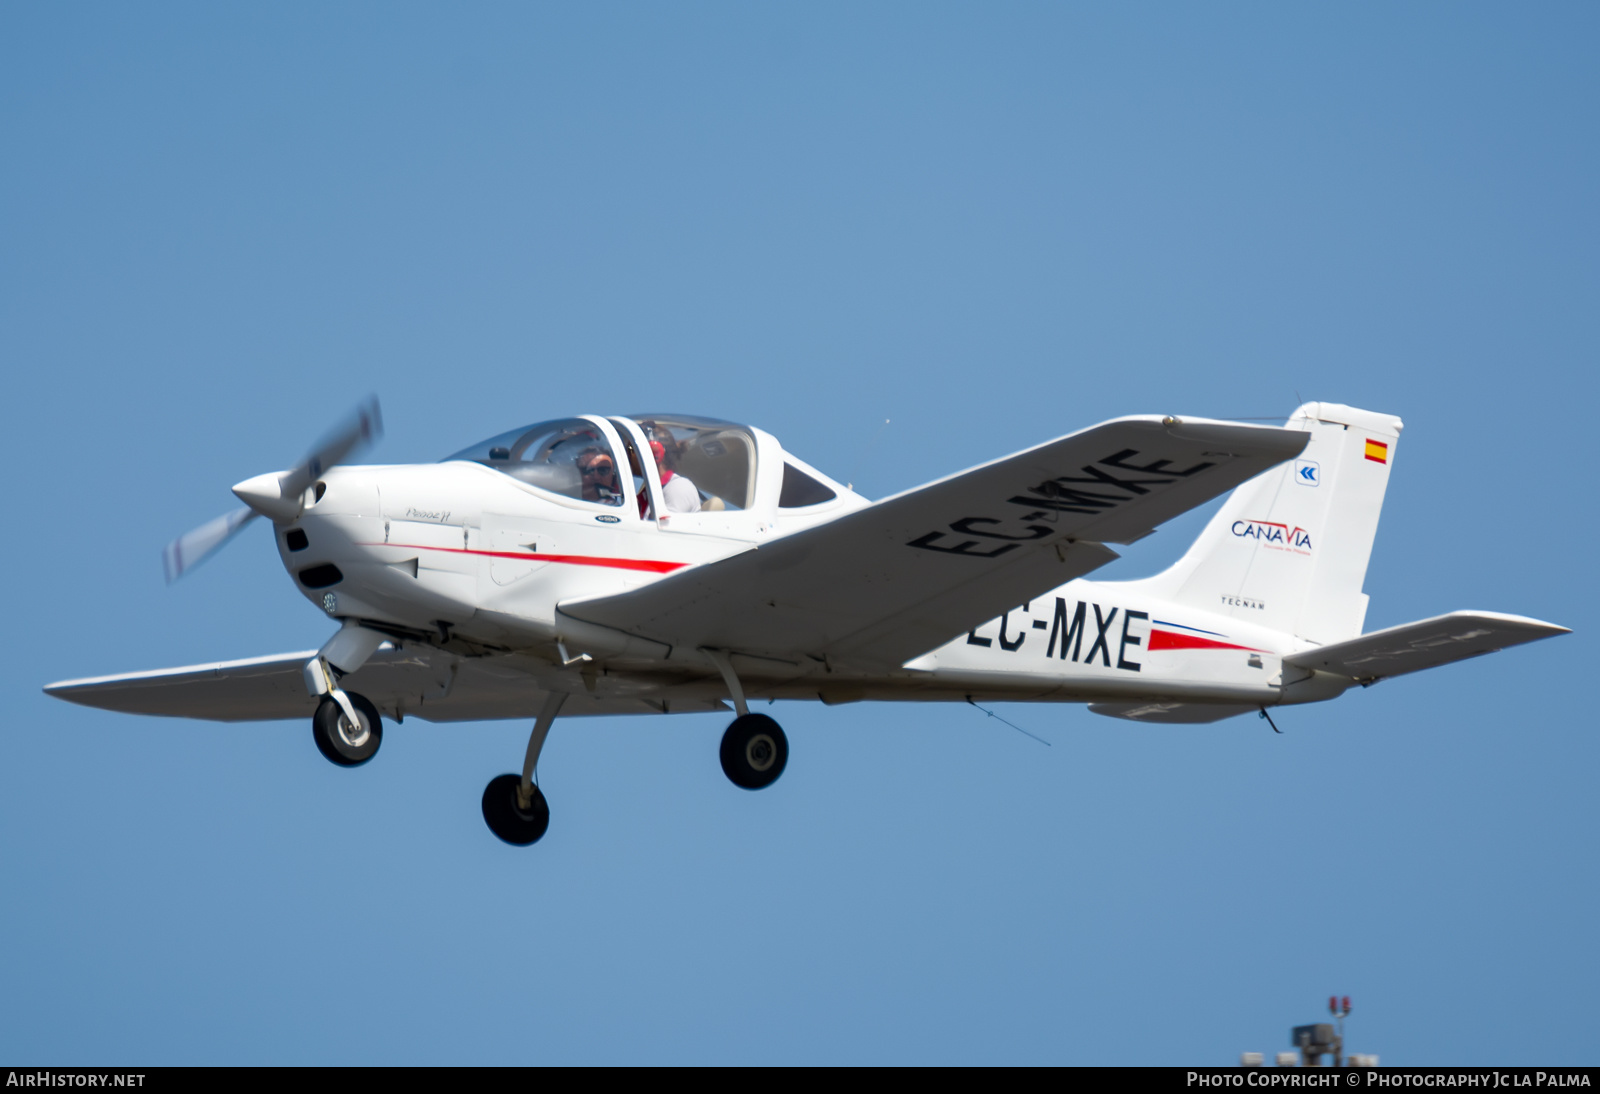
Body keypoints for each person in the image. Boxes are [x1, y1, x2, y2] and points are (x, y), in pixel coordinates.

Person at [648, 436, 701, 513]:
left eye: (631, 450)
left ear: (656, 454)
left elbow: (667, 524)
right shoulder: (650, 489)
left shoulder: (679, 487)